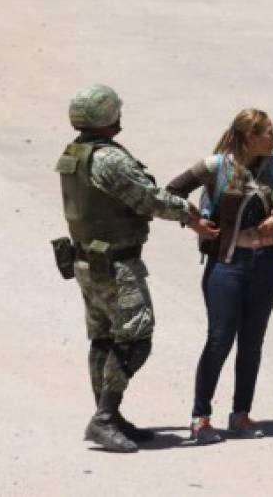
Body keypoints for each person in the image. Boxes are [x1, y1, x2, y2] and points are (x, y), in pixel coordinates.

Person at [55, 84, 218, 453]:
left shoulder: (75, 152)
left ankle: (107, 413)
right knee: (135, 339)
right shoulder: (108, 159)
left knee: (104, 339)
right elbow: (147, 198)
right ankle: (105, 419)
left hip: (87, 259)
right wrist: (189, 217)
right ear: (108, 116)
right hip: (115, 263)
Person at [167, 109, 273, 445]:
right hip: (228, 265)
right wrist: (192, 222)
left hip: (267, 265)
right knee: (220, 339)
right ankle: (200, 417)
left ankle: (241, 415)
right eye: (268, 132)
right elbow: (171, 192)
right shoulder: (215, 166)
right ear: (250, 136)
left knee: (252, 342)